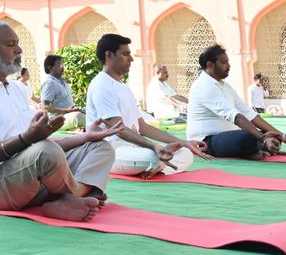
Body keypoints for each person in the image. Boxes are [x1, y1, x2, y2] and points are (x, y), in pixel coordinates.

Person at [0, 21, 122, 221]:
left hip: (28, 176)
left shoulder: (15, 88)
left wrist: (87, 137)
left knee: (100, 148)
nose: (19, 49)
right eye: (10, 44)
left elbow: (36, 148)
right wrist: (27, 138)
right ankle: (75, 194)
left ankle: (67, 198)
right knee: (46, 150)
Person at [86, 34, 209, 177]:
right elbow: (118, 130)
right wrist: (153, 146)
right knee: (152, 157)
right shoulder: (102, 85)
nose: (131, 59)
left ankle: (156, 166)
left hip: (133, 148)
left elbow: (142, 127)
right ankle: (155, 164)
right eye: (125, 54)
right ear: (109, 55)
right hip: (109, 150)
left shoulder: (123, 87)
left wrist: (184, 142)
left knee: (186, 153)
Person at [187, 45, 286, 159]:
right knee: (249, 136)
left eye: (228, 62)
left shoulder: (225, 86)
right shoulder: (203, 86)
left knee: (270, 134)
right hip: (207, 141)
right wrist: (262, 138)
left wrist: (282, 136)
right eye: (224, 63)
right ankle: (254, 148)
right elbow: (236, 117)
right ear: (210, 65)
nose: (229, 66)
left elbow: (248, 113)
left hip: (229, 136)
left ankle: (257, 147)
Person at [39, 55, 83, 129]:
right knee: (78, 116)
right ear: (50, 68)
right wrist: (67, 111)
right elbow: (45, 107)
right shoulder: (49, 83)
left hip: (67, 116)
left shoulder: (62, 81)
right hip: (56, 121)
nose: (62, 67)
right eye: (59, 65)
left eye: (63, 64)